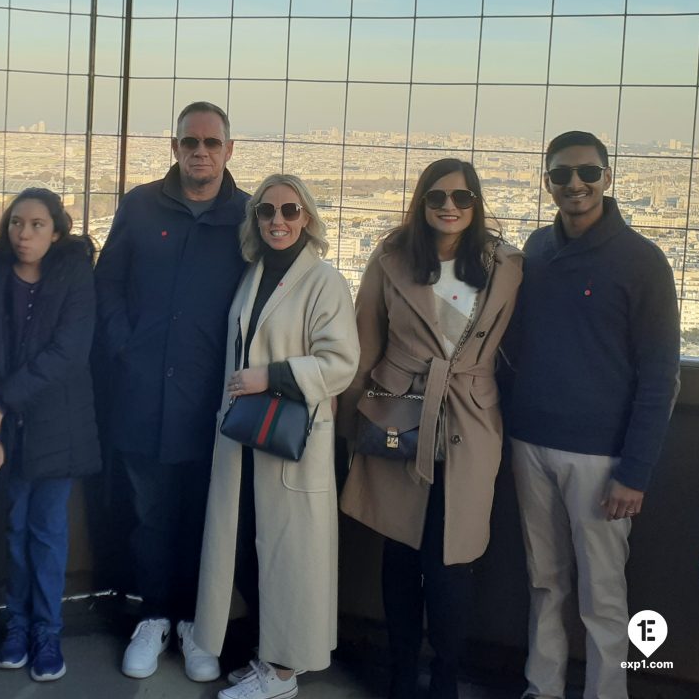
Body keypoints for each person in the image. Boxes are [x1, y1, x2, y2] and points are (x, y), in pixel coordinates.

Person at [337, 158, 523, 699]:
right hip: (398, 417)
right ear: (420, 202)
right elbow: (363, 341)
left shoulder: (506, 265)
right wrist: (348, 423)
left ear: (476, 204)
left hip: (470, 419)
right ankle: (401, 673)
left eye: (462, 198)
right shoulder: (390, 259)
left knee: (452, 561)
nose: (449, 207)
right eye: (437, 197)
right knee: (399, 552)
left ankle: (443, 675)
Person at [507, 130, 680, 699]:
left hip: (602, 457)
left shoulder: (643, 261)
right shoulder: (534, 250)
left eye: (586, 172)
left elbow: (661, 375)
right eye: (561, 174)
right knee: (544, 582)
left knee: (602, 595)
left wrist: (635, 472)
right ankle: (543, 687)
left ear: (608, 177)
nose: (574, 184)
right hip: (530, 442)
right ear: (547, 181)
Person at [94, 101, 248, 682]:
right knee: (150, 515)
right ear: (175, 147)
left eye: (211, 142)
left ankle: (196, 625)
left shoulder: (249, 215)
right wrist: (124, 346)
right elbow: (107, 282)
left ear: (229, 150)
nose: (200, 151)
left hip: (216, 402)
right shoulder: (139, 206)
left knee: (205, 518)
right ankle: (155, 616)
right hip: (143, 396)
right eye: (190, 142)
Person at [193, 173, 360, 699]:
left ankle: (284, 674)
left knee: (292, 556)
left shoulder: (324, 280)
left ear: (307, 217)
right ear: (256, 220)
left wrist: (271, 377)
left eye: (290, 210)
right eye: (267, 211)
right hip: (246, 436)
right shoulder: (256, 273)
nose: (278, 220)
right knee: (254, 549)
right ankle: (268, 659)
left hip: (292, 438)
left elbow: (341, 363)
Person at [0, 188, 100, 683]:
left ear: (57, 231)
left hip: (56, 425)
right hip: (9, 427)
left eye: (36, 225)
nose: (24, 233)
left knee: (47, 533)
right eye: (16, 223)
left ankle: (46, 632)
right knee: (16, 532)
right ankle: (20, 624)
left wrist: (0, 401)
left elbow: (67, 353)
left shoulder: (74, 278)